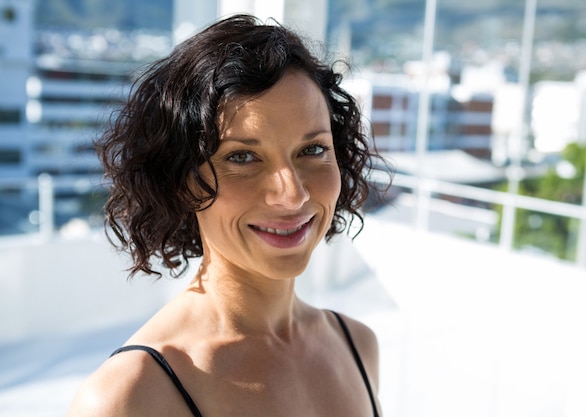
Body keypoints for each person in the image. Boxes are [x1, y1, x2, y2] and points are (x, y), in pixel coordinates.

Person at [67, 14, 384, 417]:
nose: (292, 194)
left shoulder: (358, 345)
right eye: (242, 157)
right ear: (182, 181)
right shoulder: (129, 396)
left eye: (313, 150)